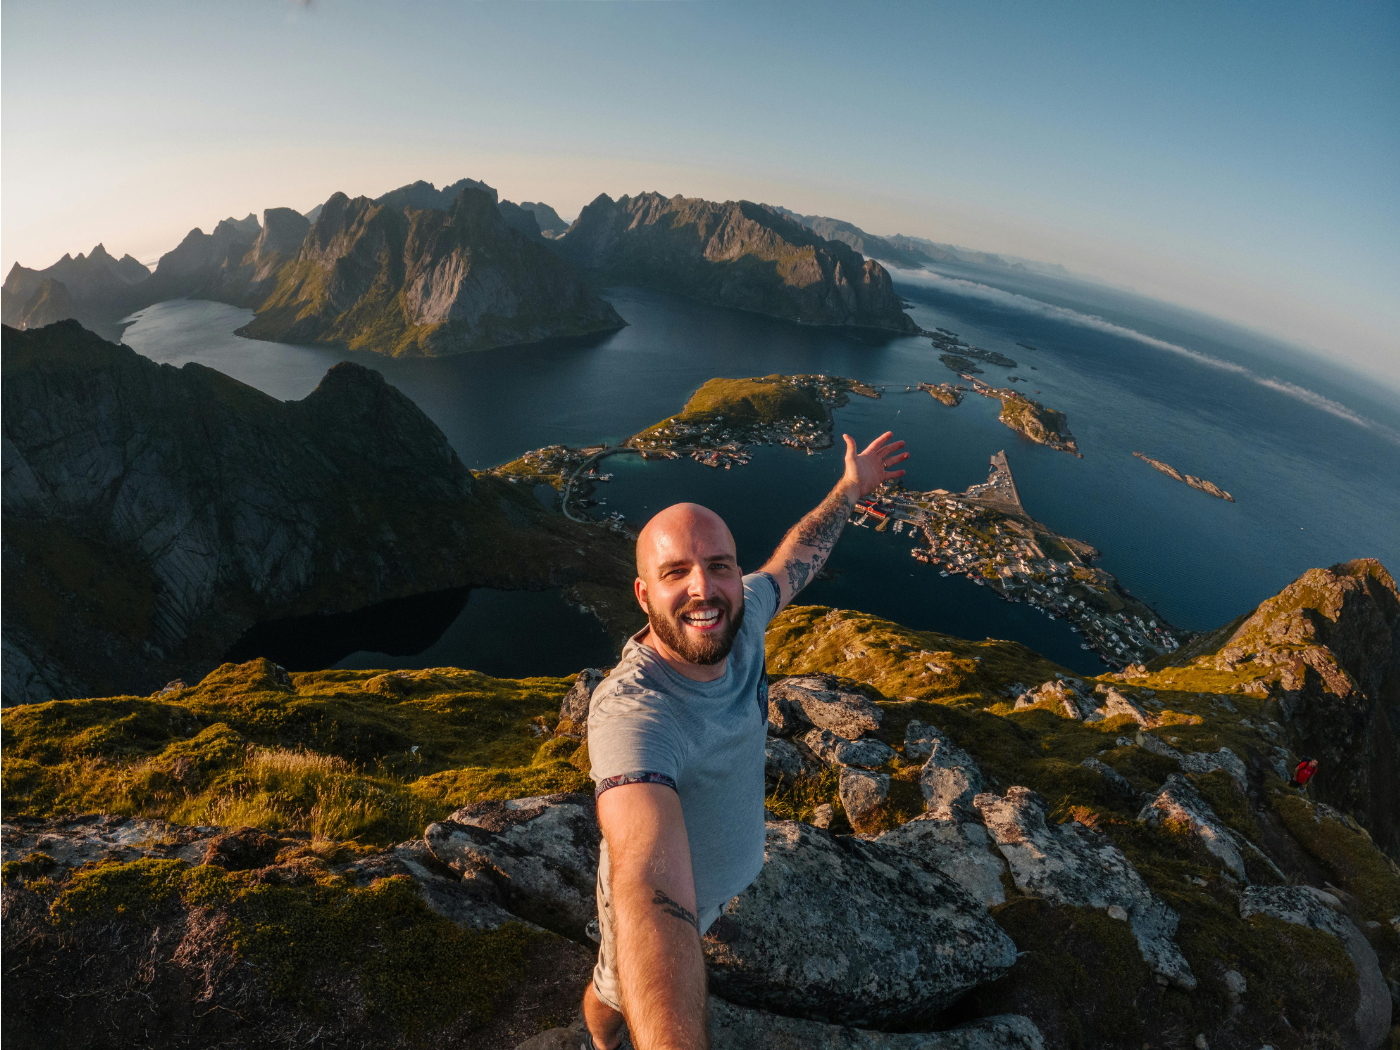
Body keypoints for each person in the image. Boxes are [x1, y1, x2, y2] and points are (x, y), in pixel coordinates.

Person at [581, 430, 908, 1050]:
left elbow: (793, 561)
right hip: (675, 897)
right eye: (676, 573)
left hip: (720, 887)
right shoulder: (633, 712)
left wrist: (849, 489)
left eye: (719, 566)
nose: (703, 589)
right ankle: (598, 1042)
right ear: (643, 594)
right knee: (617, 987)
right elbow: (651, 893)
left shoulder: (746, 614)